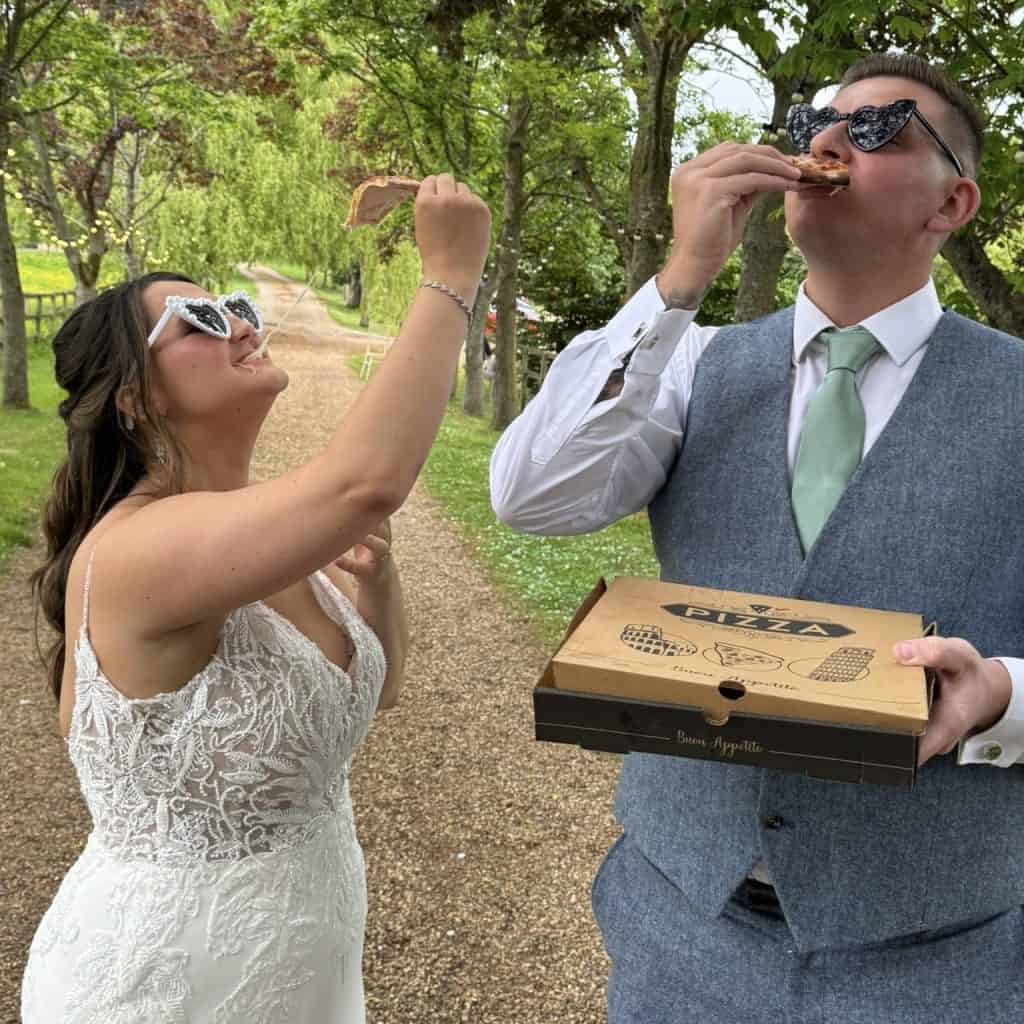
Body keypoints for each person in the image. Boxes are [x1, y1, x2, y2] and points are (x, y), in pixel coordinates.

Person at [490, 54, 1024, 1023]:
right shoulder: (689, 362)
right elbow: (530, 492)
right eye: (810, 123)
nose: (823, 141)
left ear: (951, 204)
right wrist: (679, 277)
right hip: (679, 925)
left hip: (937, 959)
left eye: (876, 128)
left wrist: (1003, 699)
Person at [21, 173, 490, 1021]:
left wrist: (377, 590)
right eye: (200, 318)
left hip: (303, 969)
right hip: (164, 983)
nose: (242, 321)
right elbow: (366, 484)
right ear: (135, 396)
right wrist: (451, 272)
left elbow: (369, 695)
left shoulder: (251, 532)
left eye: (237, 302)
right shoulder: (136, 550)